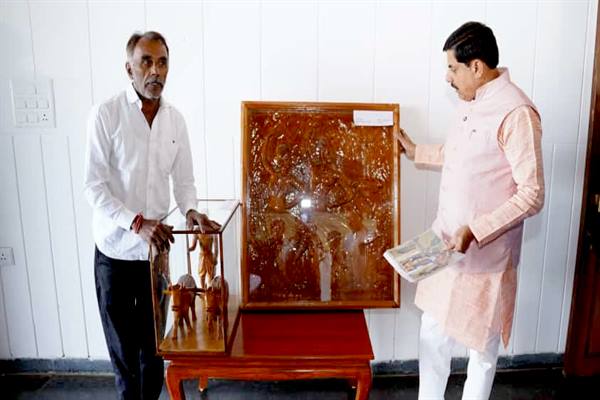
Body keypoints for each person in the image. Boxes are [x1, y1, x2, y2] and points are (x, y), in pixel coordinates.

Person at [395, 22, 544, 400]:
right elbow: (459, 156)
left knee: (481, 349)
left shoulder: (517, 113)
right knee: (432, 333)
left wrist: (476, 230)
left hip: (486, 257)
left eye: (452, 68)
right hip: (444, 243)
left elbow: (532, 194)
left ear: (476, 67)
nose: (448, 78)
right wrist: (415, 151)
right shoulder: (469, 102)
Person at [83, 31, 220, 399]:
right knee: (124, 354)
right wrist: (137, 223)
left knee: (154, 349)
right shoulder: (106, 114)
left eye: (162, 63)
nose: (155, 71)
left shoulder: (175, 120)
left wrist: (191, 211)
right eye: (147, 62)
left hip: (154, 256)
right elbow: (93, 187)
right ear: (129, 68)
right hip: (113, 252)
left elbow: (184, 181)